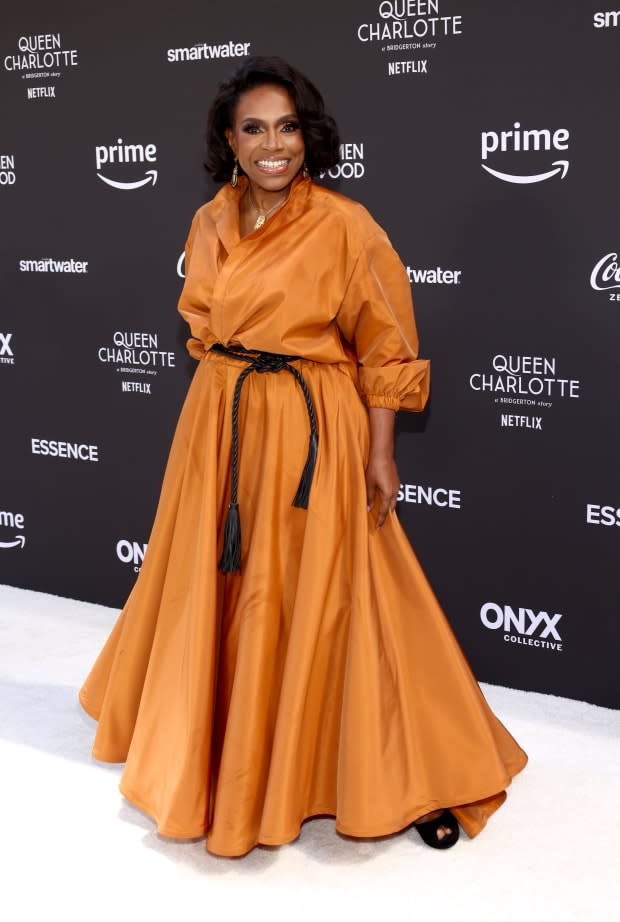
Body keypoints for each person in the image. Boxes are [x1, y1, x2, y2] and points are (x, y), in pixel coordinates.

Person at [80, 56, 527, 856]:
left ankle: (402, 764)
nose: (272, 144)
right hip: (221, 420)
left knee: (333, 594)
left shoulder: (347, 224)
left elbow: (386, 349)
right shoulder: (208, 221)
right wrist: (222, 400)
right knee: (220, 585)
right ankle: (214, 749)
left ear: (308, 135)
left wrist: (381, 453)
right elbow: (204, 329)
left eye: (287, 127)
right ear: (230, 139)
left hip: (311, 429)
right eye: (254, 128)